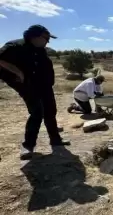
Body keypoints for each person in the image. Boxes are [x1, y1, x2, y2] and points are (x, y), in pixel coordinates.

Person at [0, 24, 70, 160]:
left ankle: (55, 140)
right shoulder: (15, 46)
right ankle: (28, 146)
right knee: (37, 113)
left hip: (45, 86)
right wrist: (18, 72)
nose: (47, 41)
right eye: (46, 38)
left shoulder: (40, 49)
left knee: (50, 111)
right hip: (28, 86)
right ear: (35, 36)